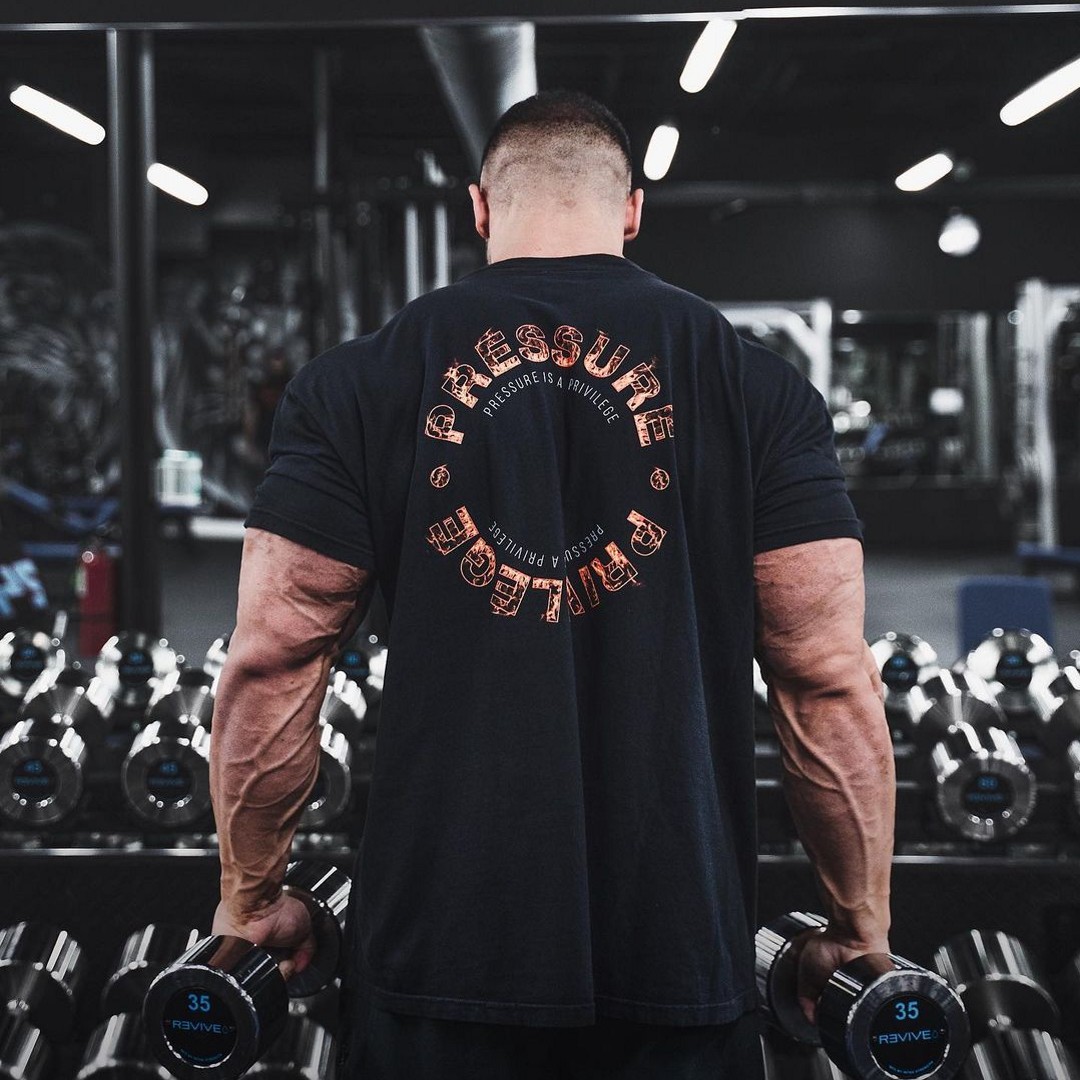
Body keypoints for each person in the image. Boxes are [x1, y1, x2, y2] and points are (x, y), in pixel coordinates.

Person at [209, 89, 894, 1080]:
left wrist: (249, 902)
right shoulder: (761, 389)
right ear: (633, 211)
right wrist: (859, 930)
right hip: (678, 955)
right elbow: (827, 679)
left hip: (438, 958)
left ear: (480, 207)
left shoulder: (354, 383)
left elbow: (272, 661)